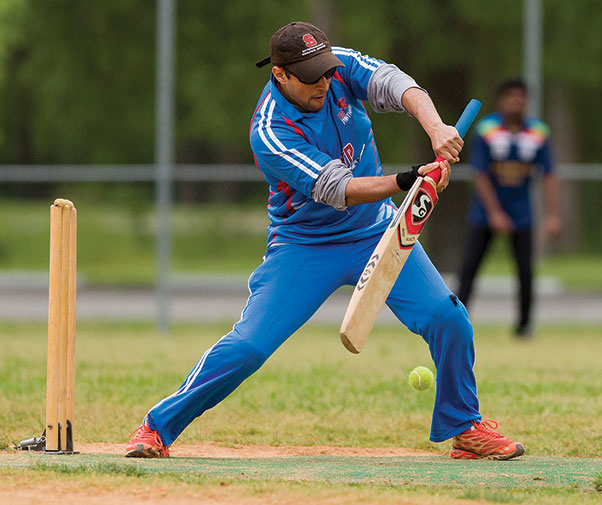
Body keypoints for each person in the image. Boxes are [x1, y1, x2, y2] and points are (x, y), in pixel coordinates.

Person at [125, 22, 524, 460]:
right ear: (280, 75)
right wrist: (408, 180)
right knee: (249, 347)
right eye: (310, 77)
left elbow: (396, 83)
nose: (324, 82)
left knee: (447, 319)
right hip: (304, 244)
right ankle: (156, 428)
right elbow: (339, 189)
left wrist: (435, 129)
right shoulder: (271, 131)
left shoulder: (336, 68)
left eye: (326, 71)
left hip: (376, 230)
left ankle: (463, 427)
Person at [457, 79, 560, 338]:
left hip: (521, 212)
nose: (517, 101)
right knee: (470, 267)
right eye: (511, 96)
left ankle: (524, 327)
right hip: (485, 212)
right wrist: (494, 213)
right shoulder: (487, 129)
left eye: (522, 97)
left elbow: (549, 174)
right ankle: (457, 321)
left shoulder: (538, 132)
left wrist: (553, 215)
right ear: (502, 100)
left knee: (525, 271)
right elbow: (479, 173)